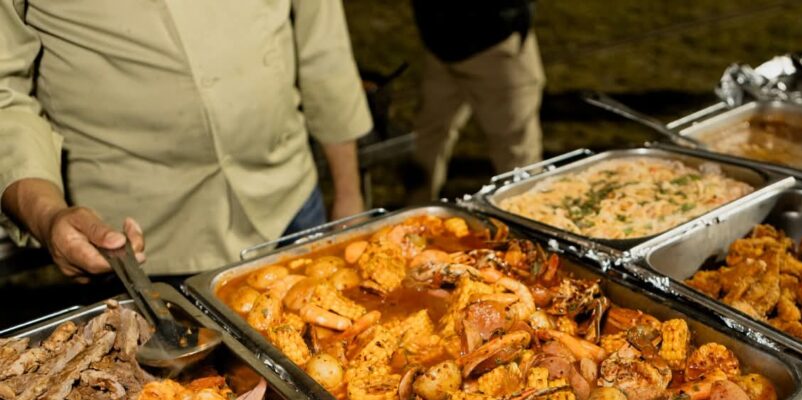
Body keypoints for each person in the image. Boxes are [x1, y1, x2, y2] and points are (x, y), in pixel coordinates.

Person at [0, 0, 372, 279]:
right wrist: (47, 216)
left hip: (289, 199)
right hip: (138, 245)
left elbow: (322, 41)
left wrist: (349, 194)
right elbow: (4, 93)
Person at [409, 0, 544, 202]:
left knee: (428, 137)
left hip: (447, 35)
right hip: (490, 38)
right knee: (518, 155)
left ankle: (418, 207)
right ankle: (417, 214)